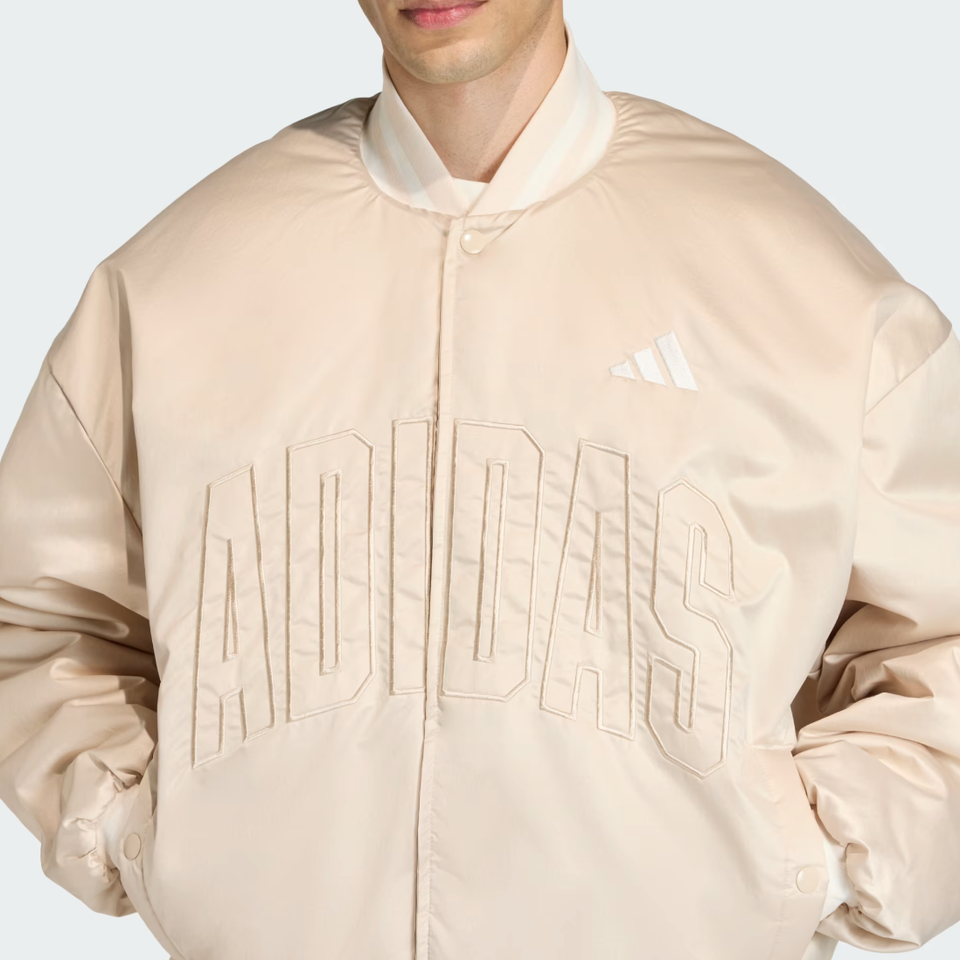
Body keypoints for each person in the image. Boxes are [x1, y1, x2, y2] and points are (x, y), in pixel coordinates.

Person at [0, 1, 958, 958]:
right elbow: (38, 619)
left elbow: (942, 634)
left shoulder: (801, 286)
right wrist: (130, 834)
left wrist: (812, 866)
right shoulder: (177, 287)